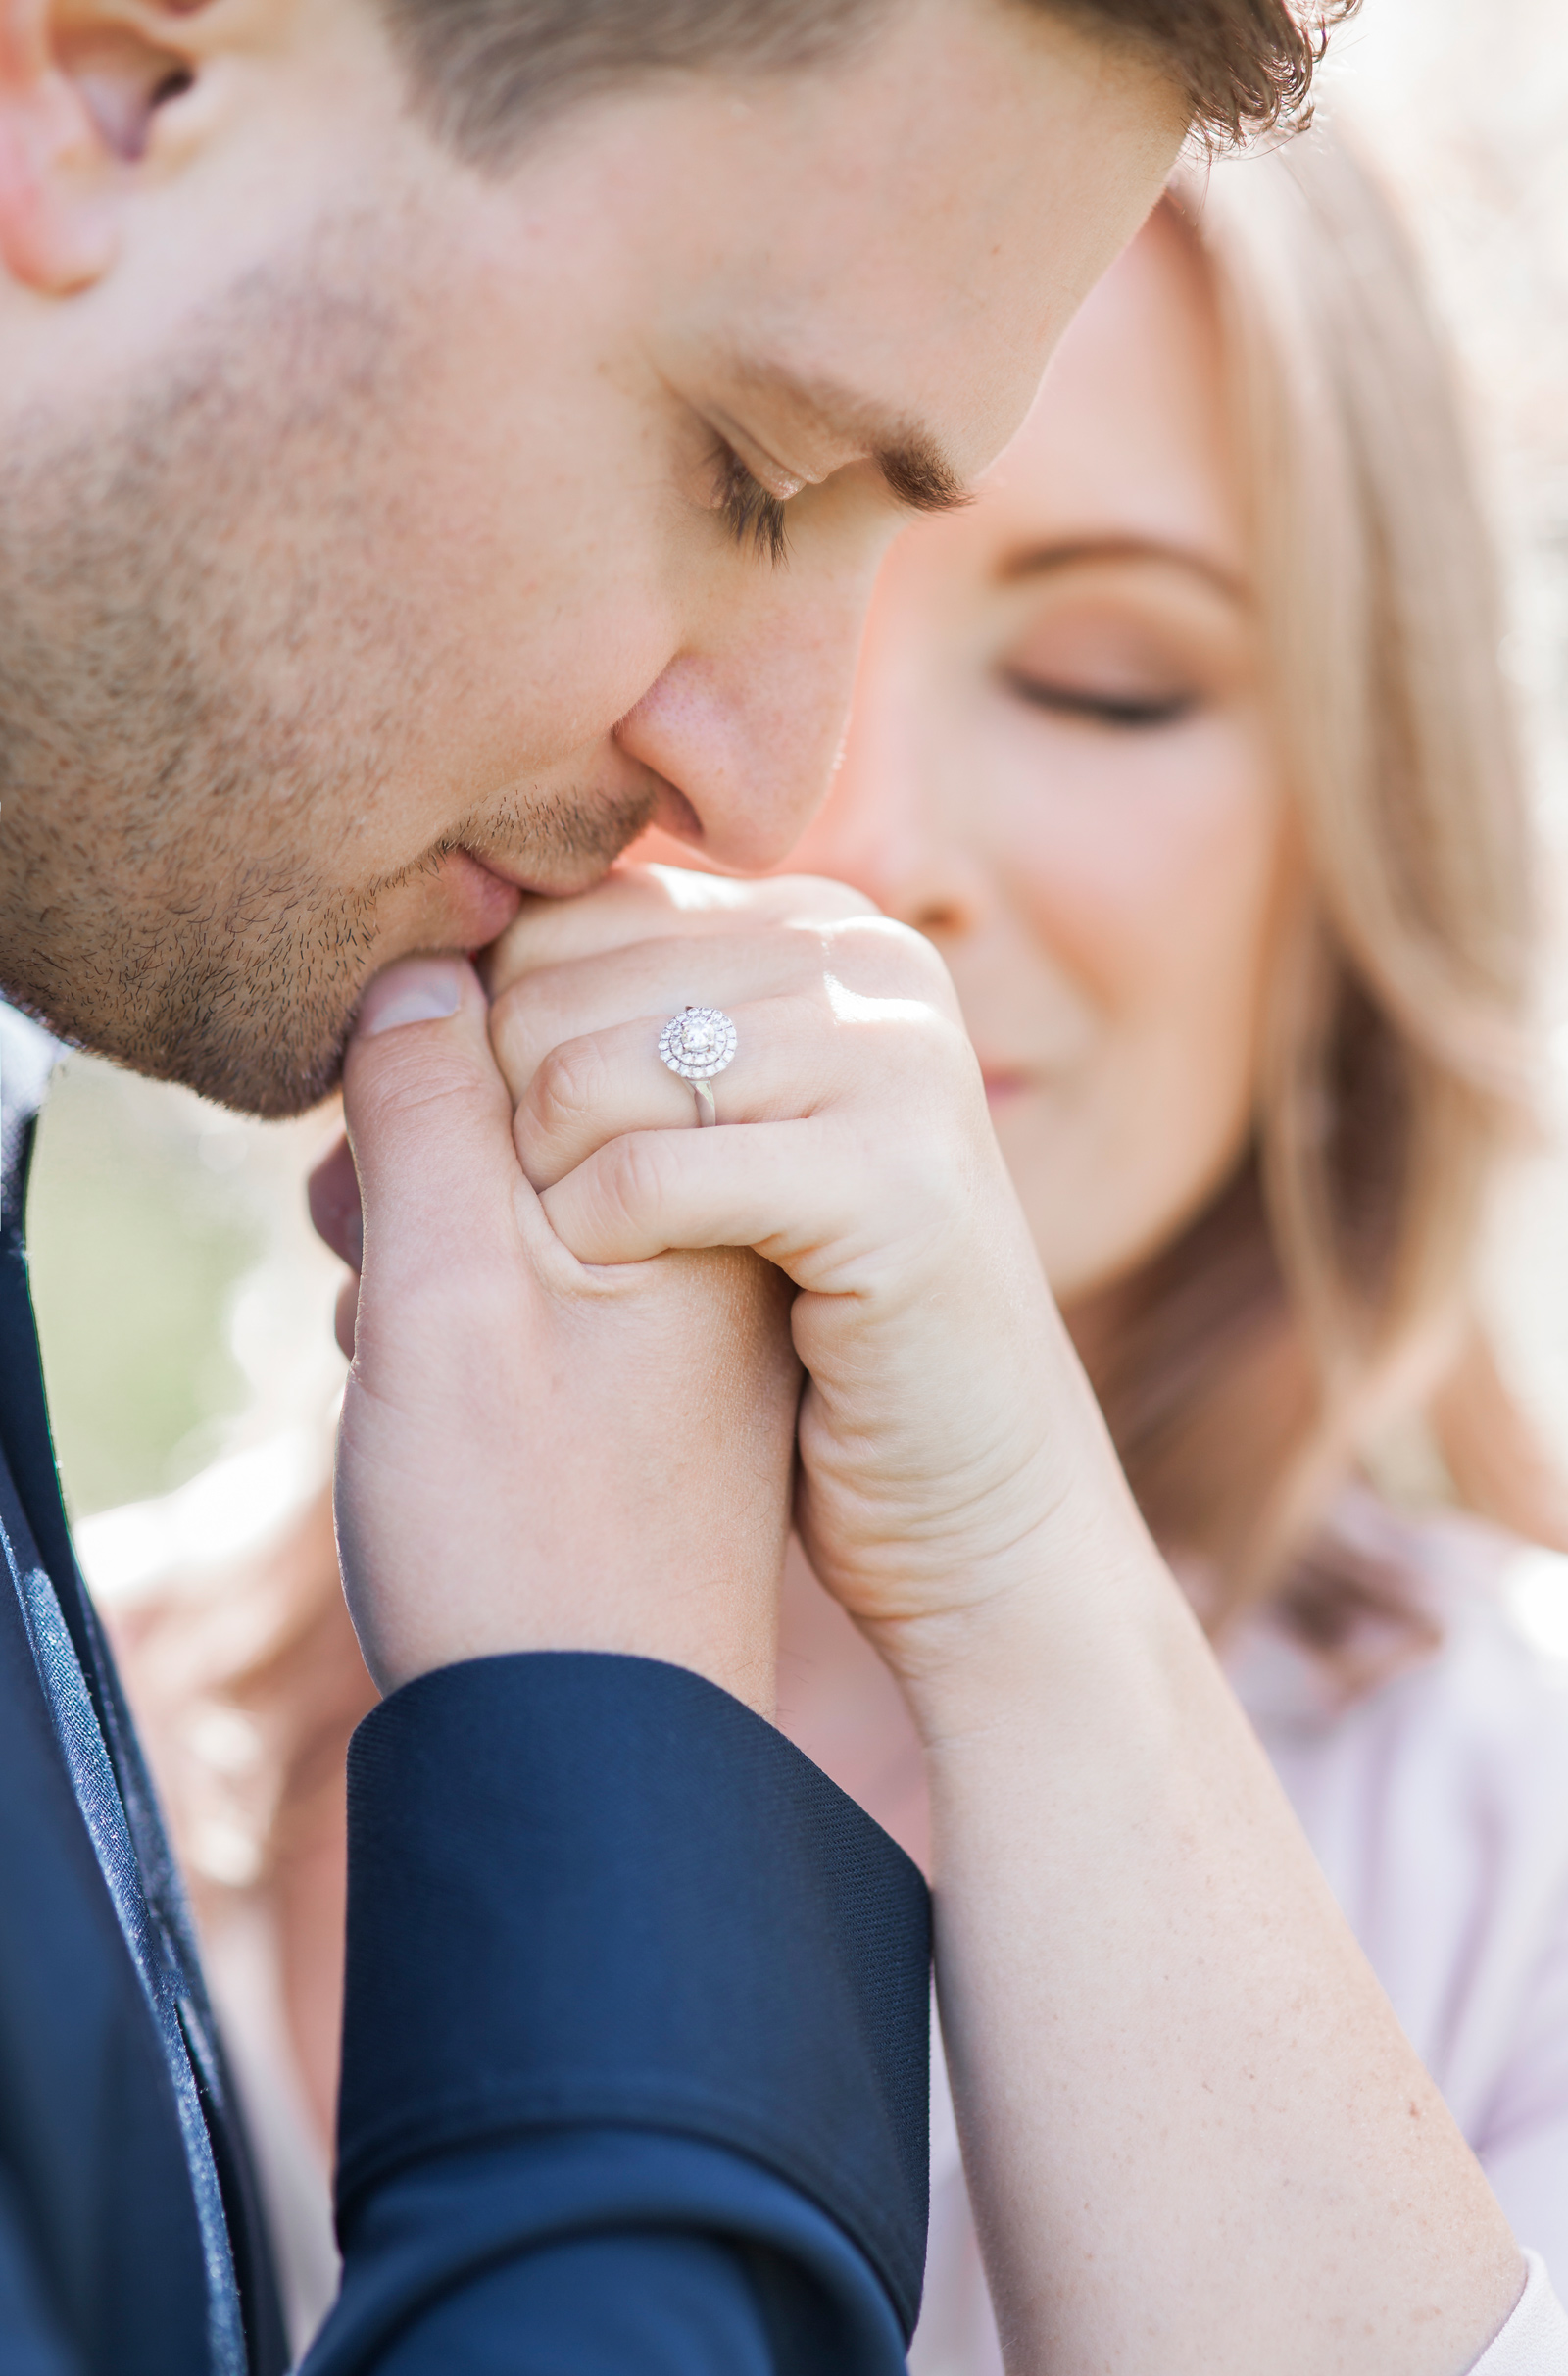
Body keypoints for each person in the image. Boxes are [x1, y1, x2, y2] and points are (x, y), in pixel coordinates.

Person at [108, 119, 1568, 2376]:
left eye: (1104, 682)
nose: (853, 843)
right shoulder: (75, 1696)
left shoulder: (1524, 1839)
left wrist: (1008, 1568)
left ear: (1352, 822)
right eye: (729, 530)